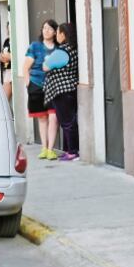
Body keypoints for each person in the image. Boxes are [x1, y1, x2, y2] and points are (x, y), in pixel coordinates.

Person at [23, 19, 60, 160]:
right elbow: (25, 67)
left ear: (55, 32)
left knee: (54, 117)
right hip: (36, 86)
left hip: (53, 87)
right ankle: (44, 148)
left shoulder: (58, 49)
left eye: (49, 29)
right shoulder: (35, 46)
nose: (46, 31)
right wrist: (28, 85)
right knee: (42, 118)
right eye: (44, 28)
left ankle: (51, 149)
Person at [44, 22, 80, 161]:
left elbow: (45, 67)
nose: (56, 35)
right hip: (70, 89)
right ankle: (69, 150)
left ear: (63, 35)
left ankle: (72, 151)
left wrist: (47, 60)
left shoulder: (61, 51)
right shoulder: (74, 49)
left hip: (61, 91)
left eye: (58, 32)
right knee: (70, 121)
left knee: (67, 122)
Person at [0, 22, 13, 103]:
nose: (9, 30)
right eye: (8, 28)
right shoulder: (7, 41)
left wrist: (9, 57)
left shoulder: (16, 41)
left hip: (14, 71)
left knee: (5, 99)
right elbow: (2, 54)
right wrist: (1, 58)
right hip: (7, 71)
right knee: (5, 99)